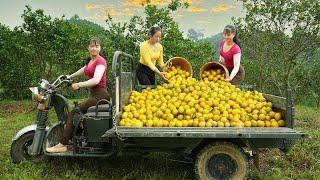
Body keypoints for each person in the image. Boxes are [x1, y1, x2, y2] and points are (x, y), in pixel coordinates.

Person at [46, 37, 109, 153]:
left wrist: (79, 84)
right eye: (92, 46)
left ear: (100, 48)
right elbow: (84, 70)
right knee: (78, 112)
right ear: (88, 48)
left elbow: (96, 80)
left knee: (73, 112)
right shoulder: (90, 61)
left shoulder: (101, 62)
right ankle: (77, 136)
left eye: (97, 46)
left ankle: (63, 144)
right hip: (94, 94)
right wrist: (70, 76)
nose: (94, 48)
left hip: (100, 95)